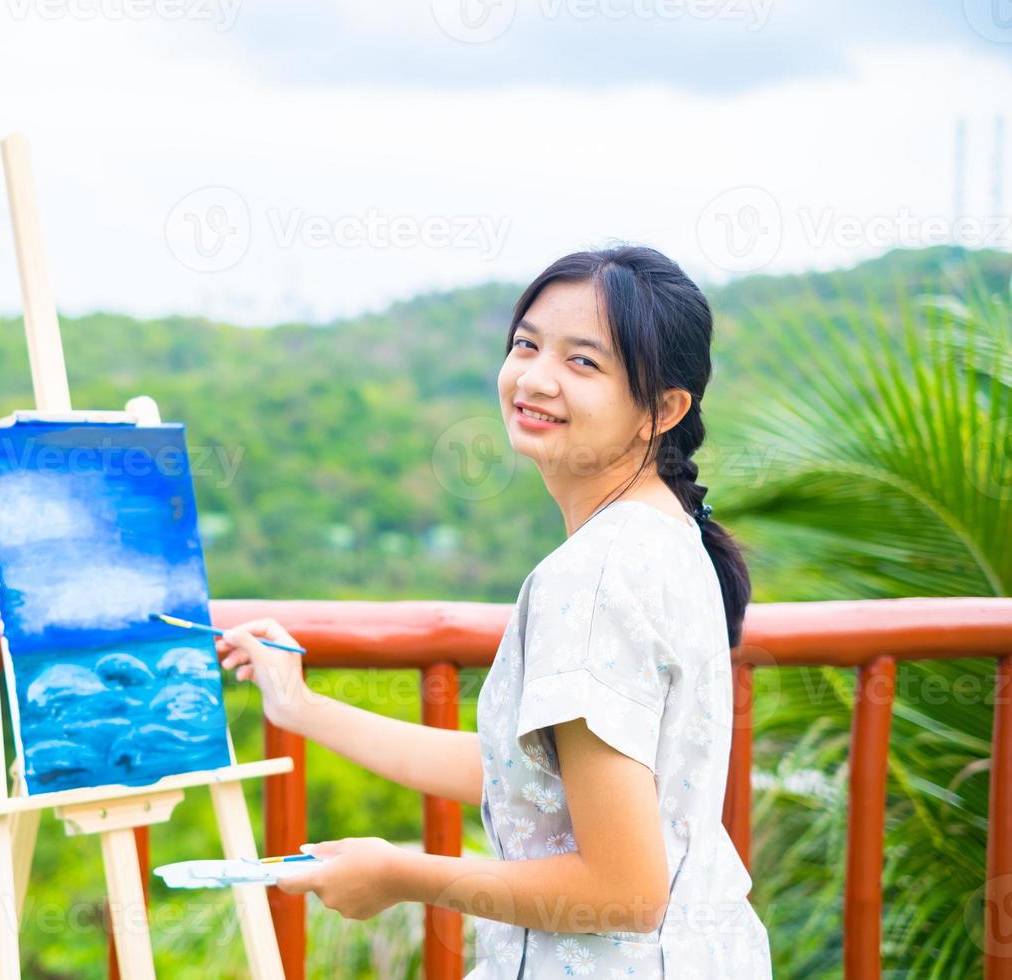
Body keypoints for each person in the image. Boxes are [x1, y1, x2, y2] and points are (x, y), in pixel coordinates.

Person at [216, 245, 773, 978]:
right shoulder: (670, 536)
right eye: (527, 345)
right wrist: (301, 708)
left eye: (584, 363)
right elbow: (529, 780)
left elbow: (624, 892)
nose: (536, 378)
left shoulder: (591, 578)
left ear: (663, 410)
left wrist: (399, 875)